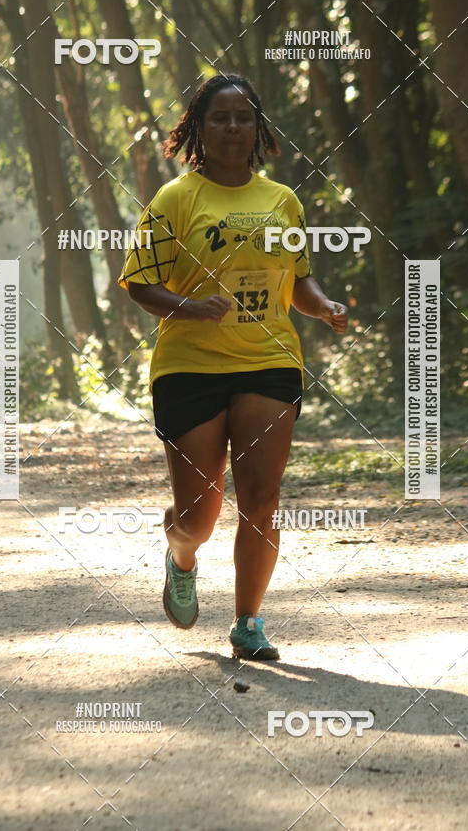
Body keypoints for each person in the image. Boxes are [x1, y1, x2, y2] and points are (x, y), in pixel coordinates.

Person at [118, 73, 347, 661]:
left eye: (244, 118)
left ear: (258, 128)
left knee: (262, 499)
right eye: (220, 118)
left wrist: (323, 306)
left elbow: (298, 280)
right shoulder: (174, 200)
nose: (232, 128)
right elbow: (139, 283)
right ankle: (182, 556)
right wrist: (191, 308)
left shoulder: (282, 201)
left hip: (268, 360)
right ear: (199, 127)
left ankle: (248, 622)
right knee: (198, 516)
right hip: (190, 366)